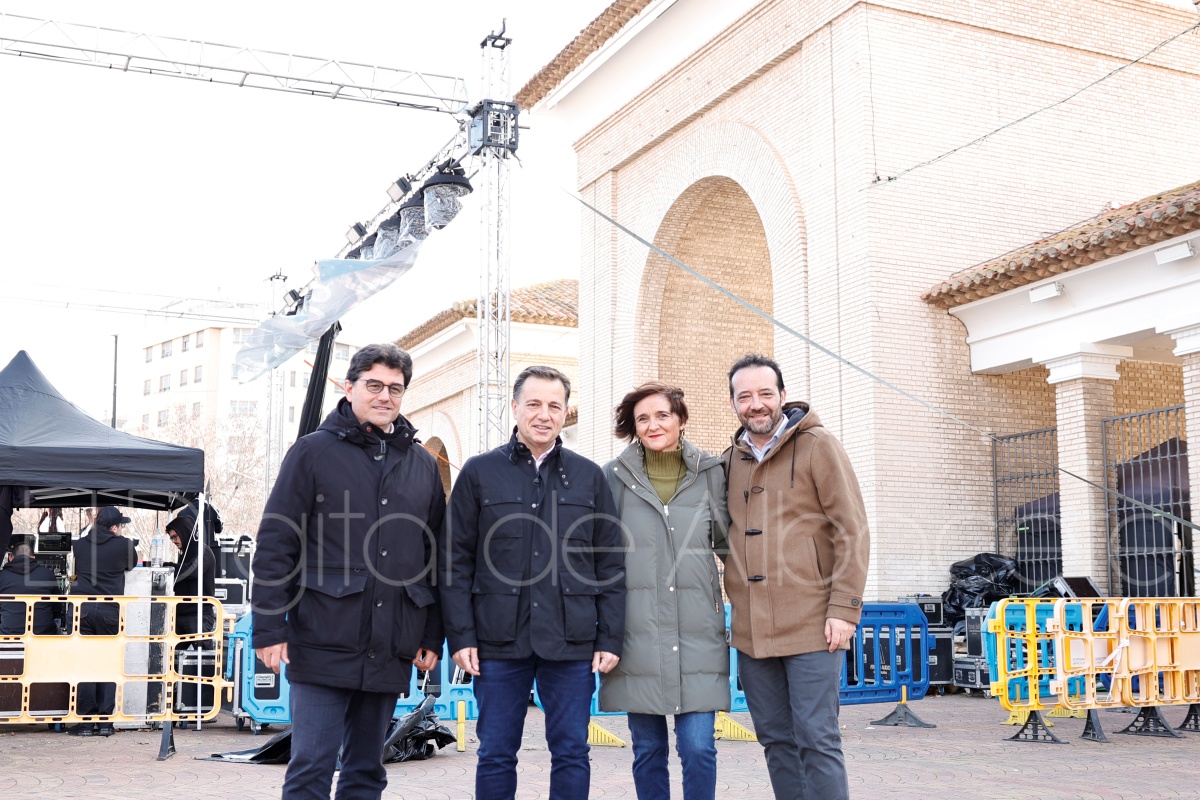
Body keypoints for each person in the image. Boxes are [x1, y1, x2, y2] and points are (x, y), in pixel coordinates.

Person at [251, 343, 445, 800]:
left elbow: (435, 557)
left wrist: (431, 634)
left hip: (392, 641)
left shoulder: (422, 464)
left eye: (395, 388)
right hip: (322, 635)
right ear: (349, 387)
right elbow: (277, 543)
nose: (385, 396)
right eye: (374, 385)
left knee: (366, 770)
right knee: (311, 767)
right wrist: (268, 628)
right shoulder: (312, 452)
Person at [442, 365, 626, 800]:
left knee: (572, 751)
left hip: (571, 641)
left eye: (554, 406)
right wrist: (461, 635)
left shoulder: (589, 477)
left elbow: (610, 563)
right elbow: (454, 561)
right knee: (495, 753)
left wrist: (610, 636)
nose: (544, 415)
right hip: (497, 641)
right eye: (534, 404)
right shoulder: (479, 472)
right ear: (514, 407)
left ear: (565, 412)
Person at [723, 354, 870, 800]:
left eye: (765, 393)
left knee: (816, 737)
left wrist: (844, 608)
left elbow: (851, 529)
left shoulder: (818, 445)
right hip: (752, 632)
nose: (756, 404)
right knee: (775, 739)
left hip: (814, 625)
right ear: (733, 403)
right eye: (745, 396)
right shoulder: (729, 461)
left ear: (782, 396)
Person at [599, 382, 730, 800]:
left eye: (662, 415)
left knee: (698, 747)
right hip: (637, 634)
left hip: (698, 633)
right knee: (648, 749)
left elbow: (730, 549)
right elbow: (600, 554)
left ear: (681, 420)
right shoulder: (613, 476)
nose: (653, 425)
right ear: (633, 427)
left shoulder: (711, 473)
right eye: (643, 418)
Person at [70, 505, 139, 737]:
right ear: (114, 527)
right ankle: (105, 722)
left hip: (83, 609)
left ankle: (85, 723)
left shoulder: (80, 545)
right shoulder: (125, 545)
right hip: (110, 611)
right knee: (108, 664)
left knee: (85, 664)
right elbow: (131, 565)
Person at [166, 511, 216, 635]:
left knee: (202, 647)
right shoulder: (184, 554)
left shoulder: (203, 551)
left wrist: (168, 567)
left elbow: (191, 571)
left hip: (198, 616)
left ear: (184, 532)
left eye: (175, 536)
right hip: (181, 614)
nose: (174, 541)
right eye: (171, 538)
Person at [0, 541, 62, 635]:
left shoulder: (2, 576)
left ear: (10, 557)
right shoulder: (47, 574)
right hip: (44, 633)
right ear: (33, 557)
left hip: (8, 633)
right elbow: (57, 607)